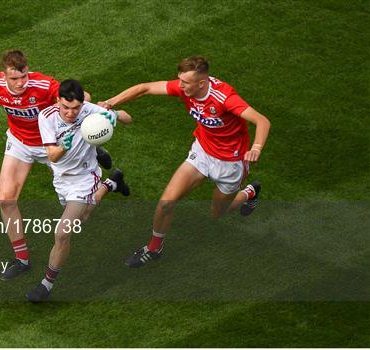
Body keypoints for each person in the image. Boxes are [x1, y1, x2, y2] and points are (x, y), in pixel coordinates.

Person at [98, 56, 271, 268]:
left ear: (201, 83)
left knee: (218, 213)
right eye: (180, 80)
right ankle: (154, 248)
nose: (180, 86)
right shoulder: (184, 87)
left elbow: (262, 121)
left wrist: (256, 148)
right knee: (167, 202)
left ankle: (249, 192)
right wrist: (110, 103)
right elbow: (145, 88)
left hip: (230, 163)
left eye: (185, 83)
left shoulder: (224, 97)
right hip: (203, 152)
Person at [0, 50, 113, 280]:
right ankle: (22, 259)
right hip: (20, 143)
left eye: (24, 77)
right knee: (5, 198)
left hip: (51, 147)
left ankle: (105, 178)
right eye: (14, 79)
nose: (20, 83)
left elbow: (82, 98)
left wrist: (85, 124)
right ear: (4, 75)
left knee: (82, 217)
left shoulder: (44, 85)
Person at [26, 79, 131, 302]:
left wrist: (114, 114)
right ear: (58, 100)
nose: (71, 113)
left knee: (63, 233)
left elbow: (128, 118)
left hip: (84, 178)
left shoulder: (88, 110)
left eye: (76, 108)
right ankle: (112, 183)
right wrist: (66, 144)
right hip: (61, 178)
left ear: (82, 104)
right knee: (82, 218)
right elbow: (52, 156)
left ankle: (46, 284)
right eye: (66, 107)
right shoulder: (46, 117)